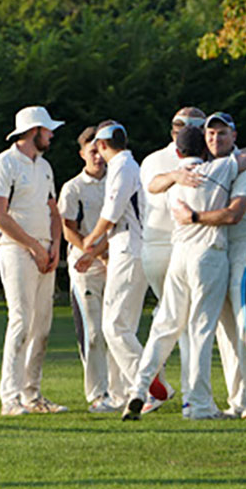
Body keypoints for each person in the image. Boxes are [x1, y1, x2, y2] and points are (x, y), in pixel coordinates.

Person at [122, 125, 246, 420]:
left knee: (164, 328)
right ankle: (198, 405)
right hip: (208, 255)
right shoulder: (219, 168)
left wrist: (174, 173)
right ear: (203, 149)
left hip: (178, 257)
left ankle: (138, 390)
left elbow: (151, 185)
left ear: (178, 152)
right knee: (200, 331)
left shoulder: (172, 180)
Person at [170, 112, 246, 419]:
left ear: (234, 135)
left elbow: (233, 214)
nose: (216, 139)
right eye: (210, 134)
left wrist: (192, 218)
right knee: (226, 333)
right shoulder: (206, 168)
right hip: (219, 251)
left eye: (222, 133)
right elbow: (157, 183)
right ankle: (239, 400)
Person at [77, 120, 166, 409]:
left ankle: (147, 387)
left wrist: (90, 240)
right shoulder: (128, 164)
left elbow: (111, 213)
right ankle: (139, 388)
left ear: (102, 145)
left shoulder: (122, 167)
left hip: (129, 249)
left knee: (114, 326)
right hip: (131, 247)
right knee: (124, 326)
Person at [0, 106, 67, 416]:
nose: (51, 135)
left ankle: (32, 395)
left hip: (45, 250)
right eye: (48, 131)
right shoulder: (3, 164)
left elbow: (53, 209)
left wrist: (55, 247)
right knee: (20, 321)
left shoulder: (45, 166)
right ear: (34, 131)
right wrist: (33, 246)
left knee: (41, 326)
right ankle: (10, 398)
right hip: (15, 249)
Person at [139, 108, 205, 414]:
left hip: (173, 245)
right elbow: (156, 192)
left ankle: (153, 388)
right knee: (185, 325)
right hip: (169, 244)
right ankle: (189, 395)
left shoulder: (156, 160)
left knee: (168, 322)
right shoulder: (157, 161)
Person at [58, 126, 124, 413]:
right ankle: (98, 393)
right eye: (91, 151)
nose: (97, 156)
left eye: (100, 149)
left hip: (116, 260)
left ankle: (121, 391)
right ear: (82, 153)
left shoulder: (117, 181)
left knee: (118, 327)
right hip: (84, 266)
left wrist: (104, 252)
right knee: (94, 331)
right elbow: (67, 229)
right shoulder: (73, 187)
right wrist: (89, 251)